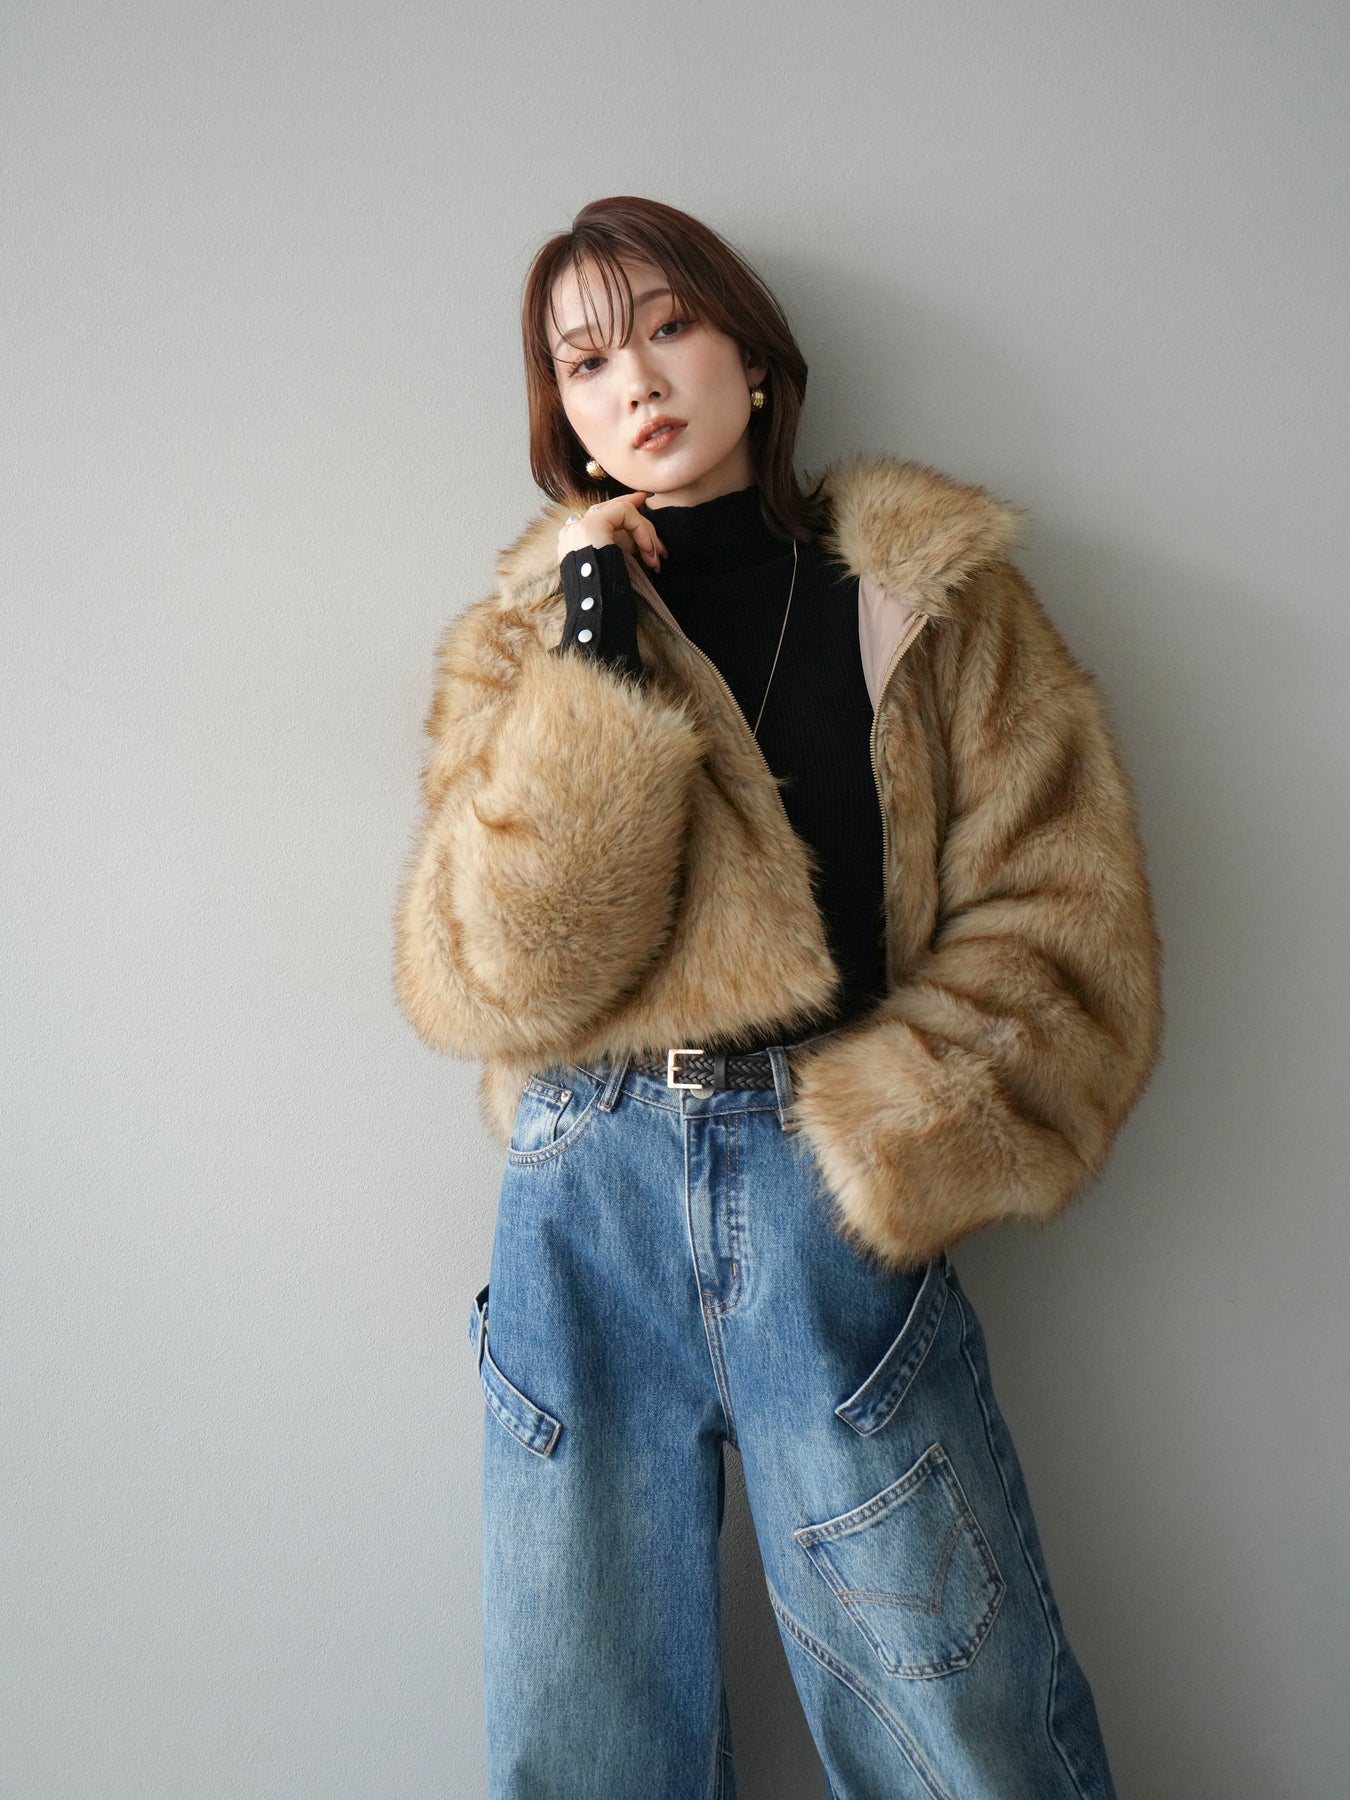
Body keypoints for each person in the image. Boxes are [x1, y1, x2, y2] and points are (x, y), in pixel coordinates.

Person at [393, 195, 1162, 1799]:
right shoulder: (521, 645)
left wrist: (887, 1138)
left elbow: (1062, 920)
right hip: (585, 1196)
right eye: (584, 362)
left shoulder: (930, 603)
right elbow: (503, 978)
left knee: (961, 1727)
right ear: (562, 414)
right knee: (585, 1737)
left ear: (750, 354)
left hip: (823, 1178)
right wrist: (591, 657)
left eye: (667, 327)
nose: (634, 382)